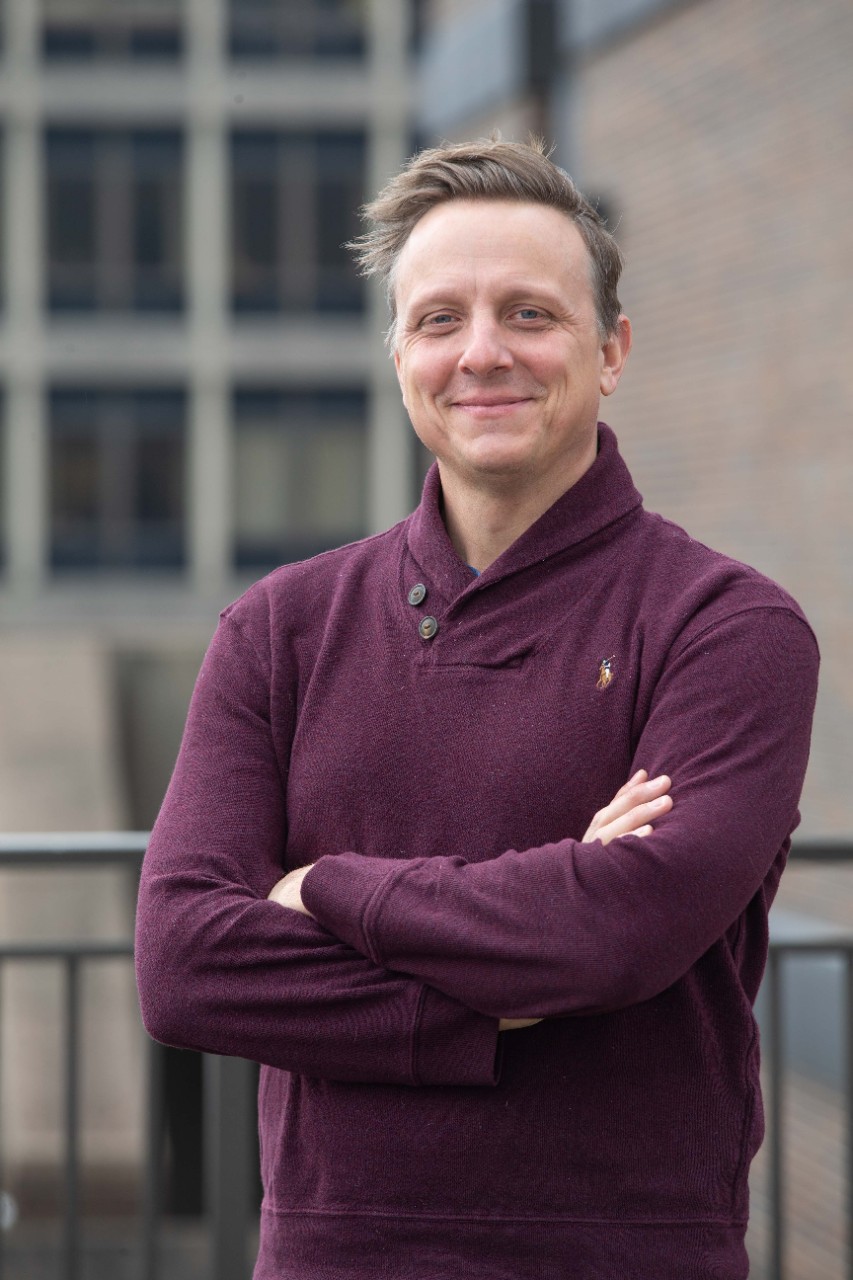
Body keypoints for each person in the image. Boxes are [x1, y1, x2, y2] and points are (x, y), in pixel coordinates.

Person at [135, 138, 819, 1279]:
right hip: (330, 1255)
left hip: (626, 1254)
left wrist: (323, 886)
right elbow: (183, 958)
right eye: (440, 318)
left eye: (529, 314)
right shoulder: (280, 626)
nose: (482, 353)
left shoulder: (729, 628)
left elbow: (622, 929)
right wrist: (475, 1009)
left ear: (611, 351)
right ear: (399, 352)